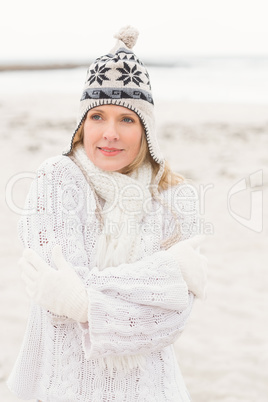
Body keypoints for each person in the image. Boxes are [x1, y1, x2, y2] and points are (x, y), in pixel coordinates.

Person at [7, 26, 207, 401]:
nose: (109, 133)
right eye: (97, 116)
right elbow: (55, 308)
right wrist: (169, 272)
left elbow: (171, 320)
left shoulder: (177, 197)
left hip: (151, 391)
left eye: (127, 119)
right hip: (60, 387)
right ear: (82, 124)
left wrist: (83, 301)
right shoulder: (57, 177)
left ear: (146, 128)